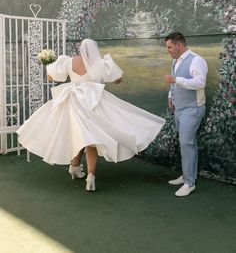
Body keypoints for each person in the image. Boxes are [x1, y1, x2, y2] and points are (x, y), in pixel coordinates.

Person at [17, 39, 165, 191]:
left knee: (78, 135)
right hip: (93, 102)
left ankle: (75, 167)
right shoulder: (99, 64)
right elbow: (117, 80)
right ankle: (90, 177)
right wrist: (113, 75)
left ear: (80, 49)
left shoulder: (68, 61)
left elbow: (52, 78)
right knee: (91, 140)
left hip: (72, 101)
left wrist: (49, 65)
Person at [163, 32, 208, 197]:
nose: (167, 50)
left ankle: (189, 183)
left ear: (178, 45)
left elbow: (200, 83)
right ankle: (188, 175)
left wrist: (176, 80)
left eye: (169, 47)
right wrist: (170, 95)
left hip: (193, 109)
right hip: (179, 109)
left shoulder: (197, 60)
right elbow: (173, 82)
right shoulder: (175, 60)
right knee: (189, 144)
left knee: (186, 143)